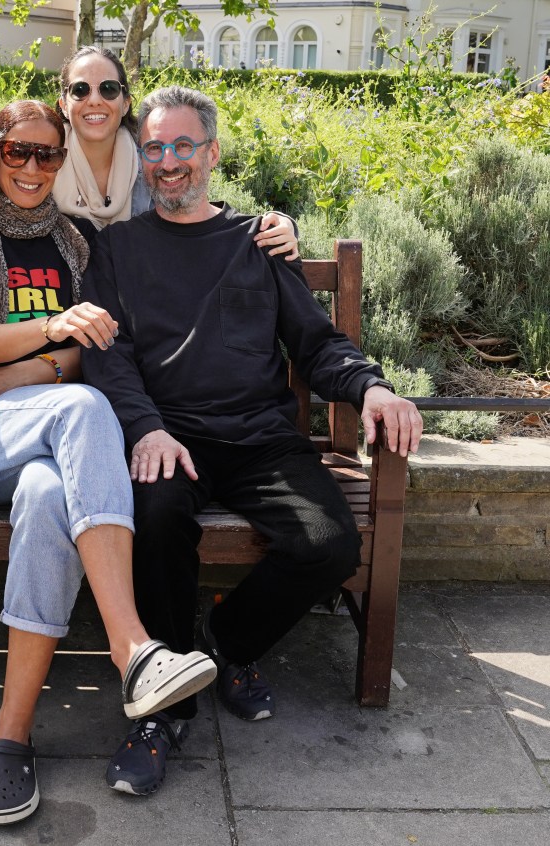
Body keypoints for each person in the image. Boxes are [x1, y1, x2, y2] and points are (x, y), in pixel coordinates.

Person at [80, 85, 424, 798]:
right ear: (141, 157)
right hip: (170, 437)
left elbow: (315, 342)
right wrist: (145, 427)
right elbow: (106, 356)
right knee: (158, 514)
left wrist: (373, 388)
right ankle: (163, 703)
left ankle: (228, 642)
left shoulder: (259, 241)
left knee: (328, 543)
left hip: (263, 439)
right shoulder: (115, 250)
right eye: (154, 147)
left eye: (182, 146)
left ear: (210, 153)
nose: (168, 161)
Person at [0, 99, 216, 825]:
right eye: (17, 152)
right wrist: (51, 333)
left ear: (63, 162)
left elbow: (97, 344)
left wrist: (27, 371)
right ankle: (135, 650)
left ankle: (10, 740)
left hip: (41, 418)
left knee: (51, 496)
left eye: (46, 155)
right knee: (87, 410)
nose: (30, 167)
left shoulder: (78, 241)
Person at [0, 47, 300, 258]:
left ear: (125, 100)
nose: (95, 99)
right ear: (63, 101)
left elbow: (196, 198)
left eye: (108, 88)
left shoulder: (149, 162)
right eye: (81, 89)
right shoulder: (37, 152)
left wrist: (279, 221)